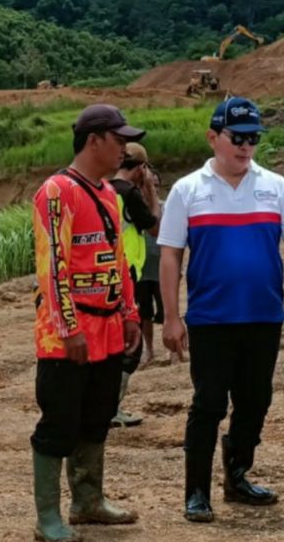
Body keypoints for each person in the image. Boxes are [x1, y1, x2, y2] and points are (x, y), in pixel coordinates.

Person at [159, 96, 284, 523]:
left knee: (255, 400)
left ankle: (237, 475)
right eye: (237, 138)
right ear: (213, 137)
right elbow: (170, 257)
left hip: (263, 315)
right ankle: (197, 491)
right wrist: (170, 317)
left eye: (253, 139)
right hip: (210, 318)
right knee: (208, 404)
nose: (245, 147)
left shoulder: (275, 186)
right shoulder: (188, 190)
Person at [30, 103, 145, 542]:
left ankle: (88, 500)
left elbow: (118, 261)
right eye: (118, 140)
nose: (125, 148)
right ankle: (48, 519)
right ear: (94, 140)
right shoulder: (57, 192)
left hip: (109, 327)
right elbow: (52, 267)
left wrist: (129, 314)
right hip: (67, 333)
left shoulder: (110, 194)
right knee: (59, 421)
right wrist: (68, 326)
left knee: (97, 415)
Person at [108, 141, 160, 427]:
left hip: (108, 274)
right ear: (140, 168)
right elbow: (155, 227)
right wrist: (150, 192)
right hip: (129, 273)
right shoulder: (128, 193)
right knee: (131, 346)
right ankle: (111, 406)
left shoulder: (102, 188)